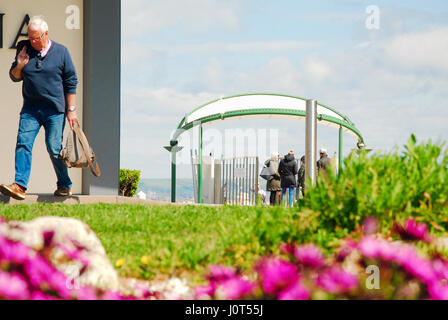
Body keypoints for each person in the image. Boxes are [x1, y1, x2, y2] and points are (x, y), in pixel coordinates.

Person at [0, 16, 78, 200]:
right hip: (31, 110)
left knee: (53, 148)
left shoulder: (61, 52)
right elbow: (15, 76)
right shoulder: (24, 47)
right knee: (23, 143)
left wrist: (72, 109)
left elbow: (71, 81)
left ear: (46, 34)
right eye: (30, 37)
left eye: (36, 38)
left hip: (55, 110)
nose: (33, 41)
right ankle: (19, 186)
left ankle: (64, 185)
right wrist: (20, 64)